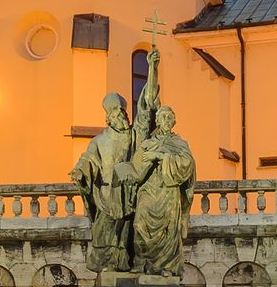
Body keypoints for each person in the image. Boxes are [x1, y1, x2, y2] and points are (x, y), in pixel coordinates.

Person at [70, 93, 135, 274]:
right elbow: (88, 159)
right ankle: (106, 266)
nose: (120, 118)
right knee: (103, 232)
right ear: (109, 119)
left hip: (127, 195)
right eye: (115, 115)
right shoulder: (99, 141)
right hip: (105, 195)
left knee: (125, 234)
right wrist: (79, 171)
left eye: (122, 114)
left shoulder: (133, 137)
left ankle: (121, 264)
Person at [130, 103, 196, 277]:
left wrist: (161, 156)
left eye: (169, 117)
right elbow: (135, 167)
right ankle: (141, 262)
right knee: (139, 224)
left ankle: (166, 266)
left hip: (169, 190)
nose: (166, 120)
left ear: (174, 121)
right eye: (163, 117)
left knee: (169, 229)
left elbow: (188, 164)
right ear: (157, 121)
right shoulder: (147, 143)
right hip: (149, 189)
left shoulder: (179, 143)